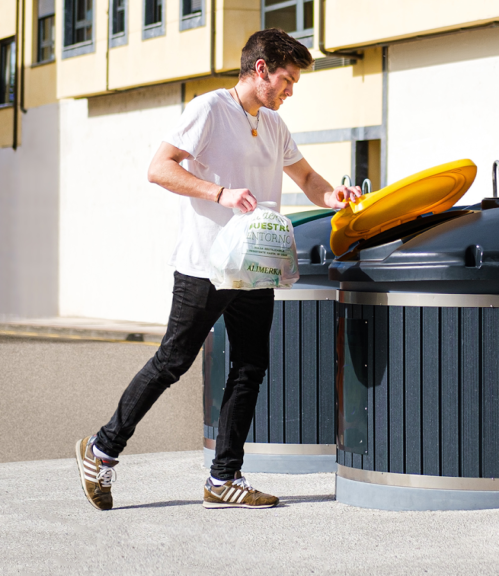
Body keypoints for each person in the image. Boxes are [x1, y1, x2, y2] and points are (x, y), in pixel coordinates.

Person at [74, 28, 361, 511]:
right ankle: (101, 450)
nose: (291, 91)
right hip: (205, 264)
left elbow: (307, 178)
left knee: (249, 367)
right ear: (261, 69)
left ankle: (223, 478)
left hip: (252, 266)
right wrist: (220, 193)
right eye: (287, 80)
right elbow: (159, 168)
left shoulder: (272, 124)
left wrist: (333, 196)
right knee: (172, 362)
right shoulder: (209, 109)